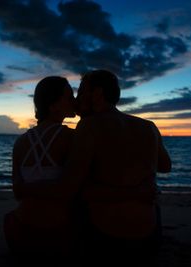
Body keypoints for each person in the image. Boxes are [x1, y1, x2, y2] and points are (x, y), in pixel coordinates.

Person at [60, 69, 172, 264]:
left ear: (97, 93)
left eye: (81, 92)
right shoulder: (149, 126)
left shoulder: (89, 126)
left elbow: (73, 189)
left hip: (106, 238)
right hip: (149, 236)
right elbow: (165, 166)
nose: (77, 99)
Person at [3, 76, 77, 263]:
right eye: (69, 97)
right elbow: (71, 189)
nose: (74, 101)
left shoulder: (20, 142)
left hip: (19, 228)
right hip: (57, 231)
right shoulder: (70, 137)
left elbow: (18, 192)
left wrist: (31, 189)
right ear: (53, 106)